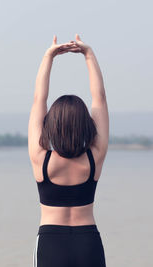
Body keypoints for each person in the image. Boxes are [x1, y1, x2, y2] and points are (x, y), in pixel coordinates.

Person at [28, 34, 109, 267]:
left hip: (51, 243)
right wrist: (89, 54)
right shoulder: (95, 157)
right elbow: (100, 99)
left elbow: (38, 100)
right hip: (88, 242)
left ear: (50, 125)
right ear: (86, 124)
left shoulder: (40, 159)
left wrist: (48, 57)